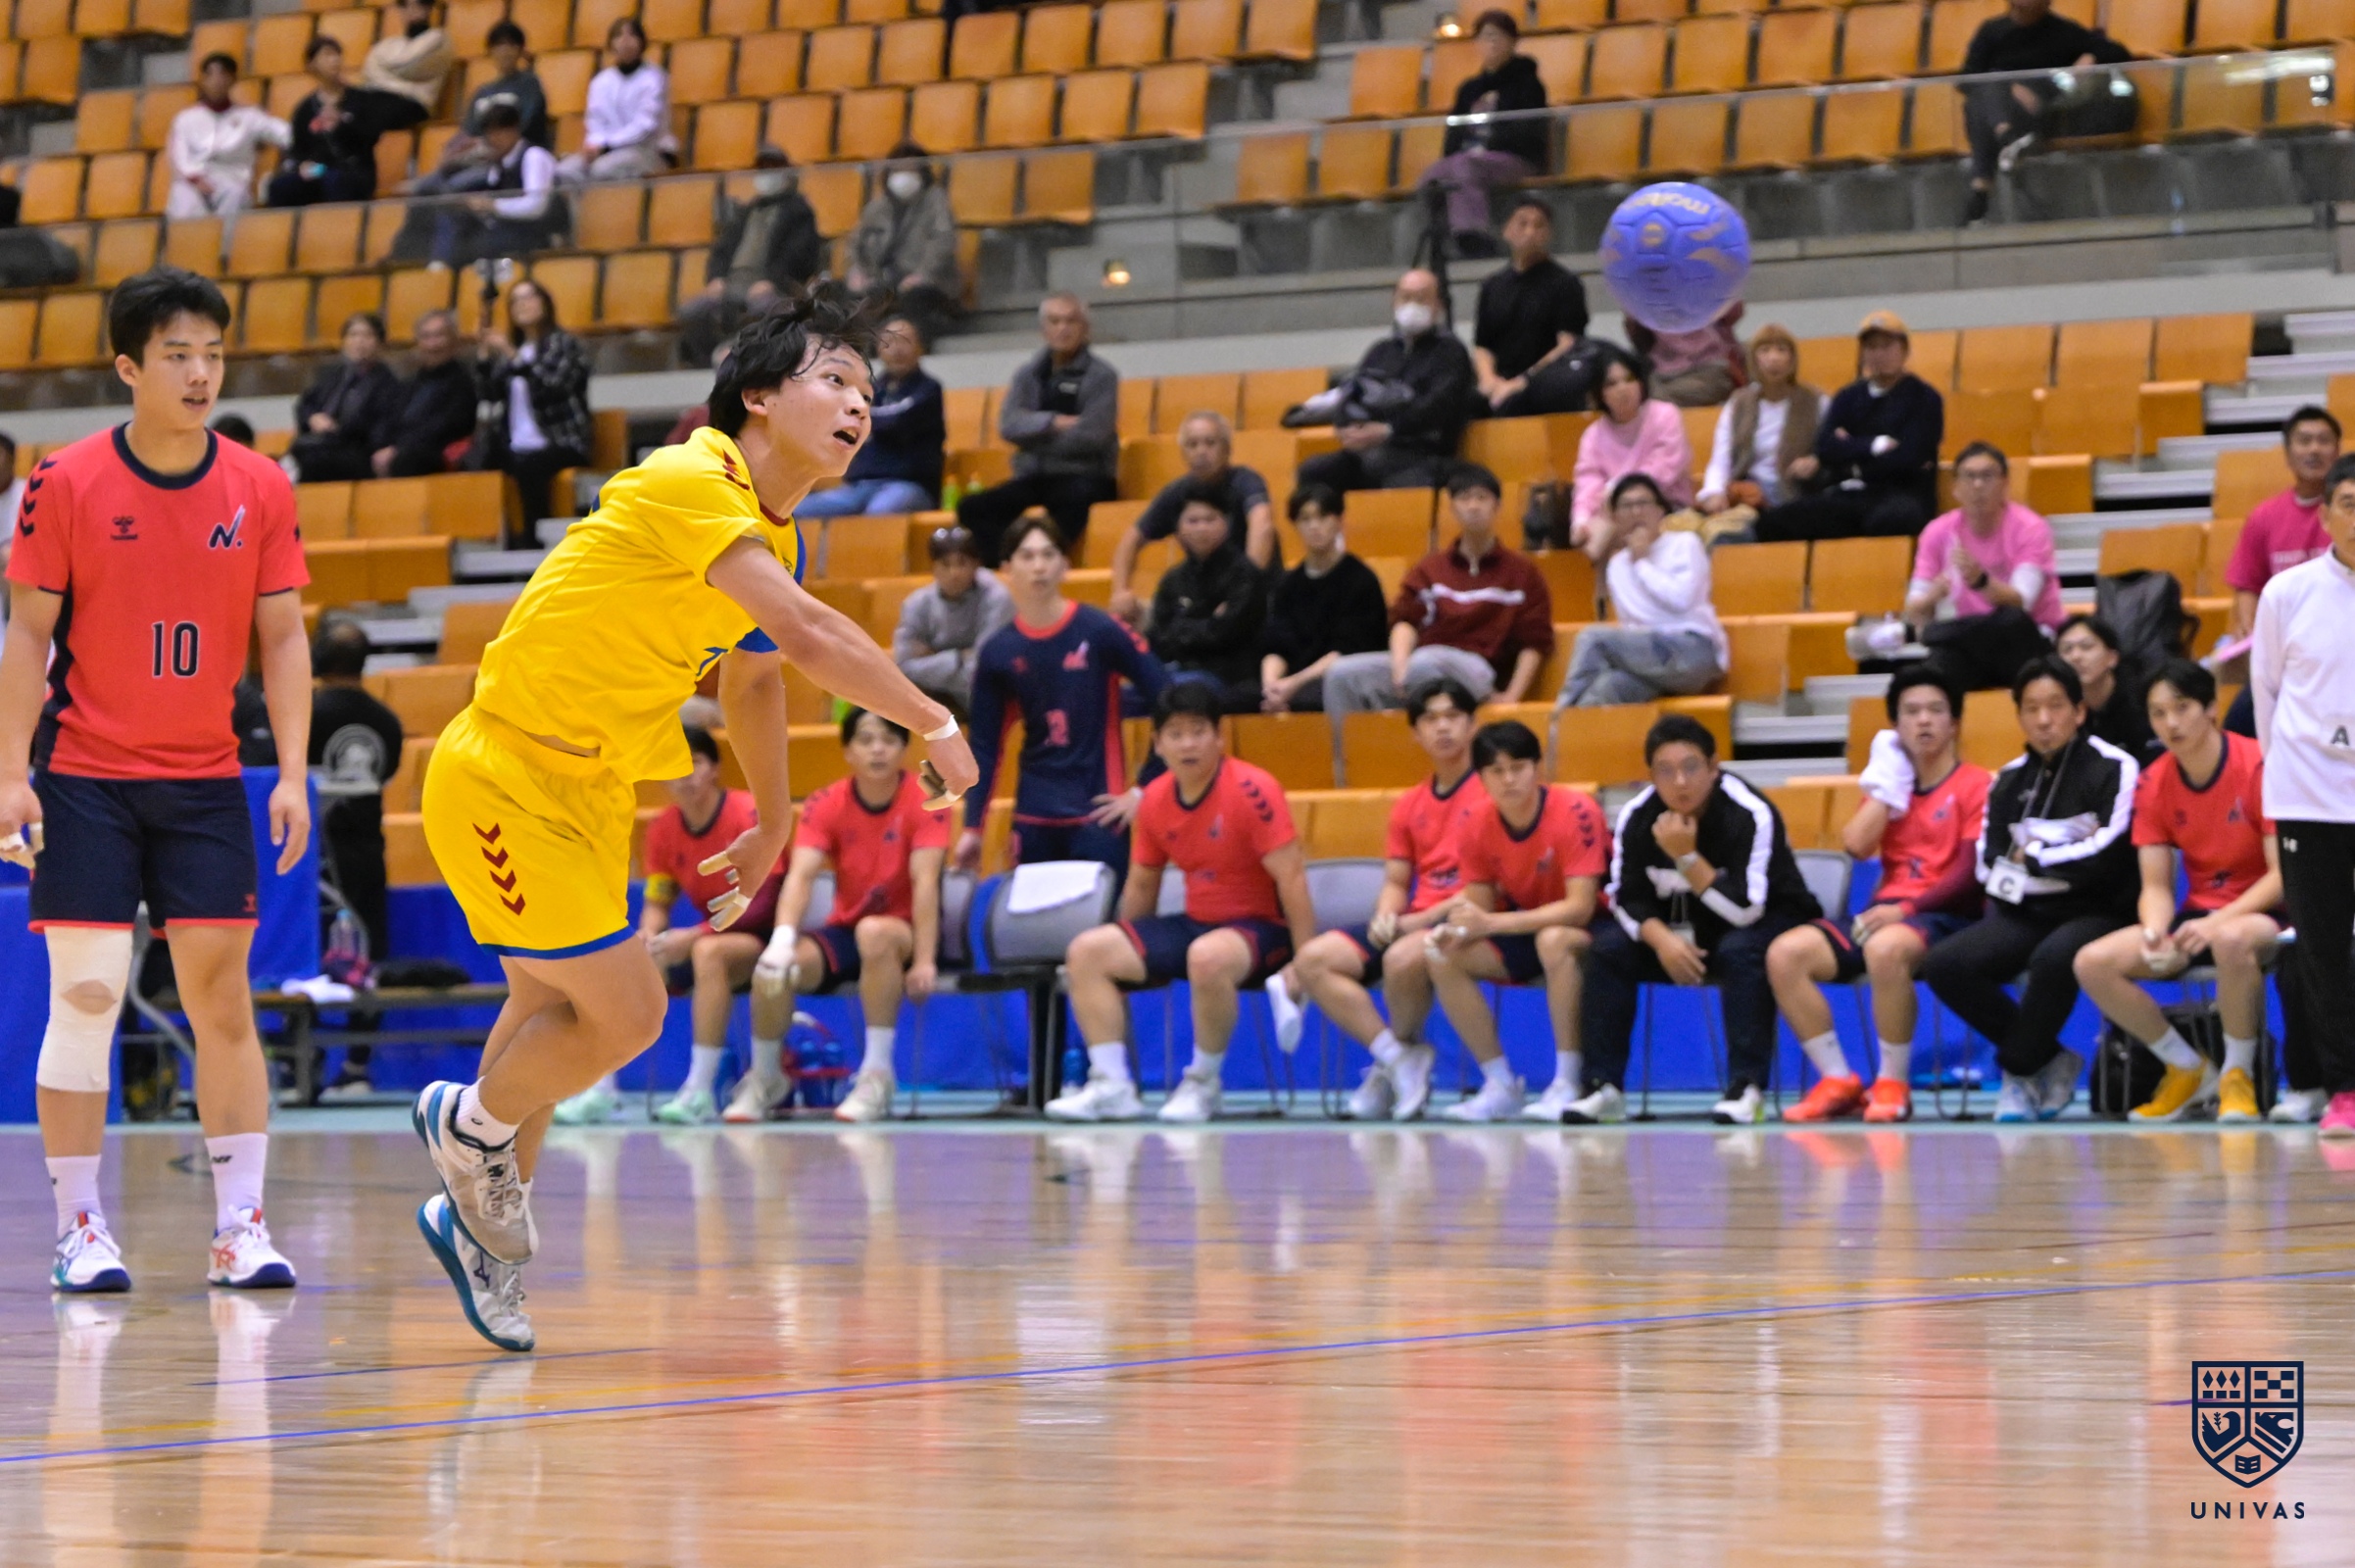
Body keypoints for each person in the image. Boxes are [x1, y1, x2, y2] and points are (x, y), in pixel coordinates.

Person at [405, 288, 981, 1354]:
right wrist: (933, 720)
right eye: (835, 380)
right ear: (757, 396)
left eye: (868, 390)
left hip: (590, 791)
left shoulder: (773, 539)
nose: (860, 404)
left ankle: (477, 1230)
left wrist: (771, 820)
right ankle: (467, 1124)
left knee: (546, 1014)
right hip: (504, 775)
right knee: (628, 1017)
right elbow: (808, 636)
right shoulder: (689, 478)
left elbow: (755, 680)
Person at [0, 268, 312, 1295]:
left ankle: (241, 1227)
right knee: (87, 995)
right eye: (178, 354)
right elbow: (27, 637)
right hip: (84, 776)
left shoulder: (260, 485)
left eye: (212, 354)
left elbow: (283, 637)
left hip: (205, 779)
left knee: (222, 1002)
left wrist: (292, 774)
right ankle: (79, 1227)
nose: (200, 372)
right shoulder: (65, 480)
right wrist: (10, 775)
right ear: (129, 366)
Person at [1046, 683, 1315, 1123]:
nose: (1188, 744)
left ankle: (1203, 1083)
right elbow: (1142, 883)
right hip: (1196, 924)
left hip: (1262, 929)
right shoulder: (1154, 798)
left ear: (1219, 737)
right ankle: (1111, 1086)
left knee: (1206, 957)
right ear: (1158, 744)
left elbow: (1293, 878)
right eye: (1175, 734)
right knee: (1088, 951)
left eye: (1198, 732)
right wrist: (1132, 950)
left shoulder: (1254, 789)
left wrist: (1305, 962)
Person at [1920, 654, 2139, 1123]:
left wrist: (2034, 857)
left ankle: (2018, 1072)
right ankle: (2050, 1059)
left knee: (2053, 958)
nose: (2044, 720)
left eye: (2055, 706)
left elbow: (2107, 854)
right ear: (2019, 715)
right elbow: (1990, 865)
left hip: (2102, 910)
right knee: (1945, 964)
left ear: (2079, 711)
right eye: (2032, 708)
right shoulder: (2008, 780)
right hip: (2028, 912)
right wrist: (2059, 862)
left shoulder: (2114, 767)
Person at [1765, 663, 1988, 1125]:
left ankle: (1892, 1082)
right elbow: (1855, 845)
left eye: (1935, 711)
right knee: (1785, 954)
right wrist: (1887, 792)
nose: (1923, 721)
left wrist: (1906, 909)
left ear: (1954, 723)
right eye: (1911, 712)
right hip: (1884, 914)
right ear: (1895, 726)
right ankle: (1837, 1081)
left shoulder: (1976, 784)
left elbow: (1968, 876)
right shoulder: (1892, 785)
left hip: (1944, 915)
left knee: (1885, 949)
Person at [1573, 714, 1820, 1125]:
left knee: (1740, 951)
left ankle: (1746, 1087)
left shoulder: (1750, 813)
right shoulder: (1637, 816)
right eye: (1665, 771)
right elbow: (1626, 897)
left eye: (1690, 767)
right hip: (1685, 933)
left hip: (1767, 923)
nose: (1680, 782)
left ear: (1713, 766)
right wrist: (1663, 942)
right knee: (1608, 950)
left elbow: (1746, 909)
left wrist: (1686, 858)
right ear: (1651, 775)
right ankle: (1603, 1087)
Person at [2074, 659, 2285, 1123]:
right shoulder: (2154, 782)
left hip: (2263, 913)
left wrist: (2216, 923)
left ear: (2211, 708)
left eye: (2182, 707)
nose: (2171, 723)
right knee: (2092, 962)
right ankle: (2187, 1068)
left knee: (2230, 940)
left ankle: (2237, 1076)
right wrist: (2155, 931)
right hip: (2199, 917)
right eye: (2158, 713)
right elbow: (2155, 885)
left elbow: (2281, 876)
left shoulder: (2258, 764)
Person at [1272, 677, 1484, 1121]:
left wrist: (1419, 920)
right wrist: (1387, 913)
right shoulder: (1409, 804)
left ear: (1471, 724)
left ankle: (1393, 1067)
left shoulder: (1490, 792)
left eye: (1453, 717)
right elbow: (1396, 880)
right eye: (1431, 719)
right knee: (1312, 961)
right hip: (1413, 918)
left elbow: (1489, 885)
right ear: (1416, 732)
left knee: (1402, 959)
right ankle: (1398, 1058)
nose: (1442, 728)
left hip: (1466, 916)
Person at [553, 725, 784, 1126]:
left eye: (694, 763)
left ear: (715, 768)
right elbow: (659, 898)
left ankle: (699, 1091)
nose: (685, 775)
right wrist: (648, 933)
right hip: (709, 934)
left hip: (765, 934)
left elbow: (763, 902)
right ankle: (601, 1088)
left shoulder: (746, 814)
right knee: (630, 956)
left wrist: (695, 935)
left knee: (708, 953)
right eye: (674, 766)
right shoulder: (663, 828)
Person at [751, 709, 951, 1124]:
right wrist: (782, 941)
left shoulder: (929, 795)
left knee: (875, 932)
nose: (878, 749)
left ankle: (877, 1075)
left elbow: (926, 882)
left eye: (889, 740)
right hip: (847, 931)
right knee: (772, 971)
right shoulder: (824, 802)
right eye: (866, 739)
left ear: (904, 749)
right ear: (847, 751)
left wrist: (925, 960)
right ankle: (767, 1077)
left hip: (905, 930)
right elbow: (801, 876)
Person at [955, 514, 1169, 879]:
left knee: (1101, 917)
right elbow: (985, 746)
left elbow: (1170, 699)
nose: (1039, 566)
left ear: (1065, 565)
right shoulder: (998, 651)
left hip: (1099, 816)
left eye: (1048, 554)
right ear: (1007, 569)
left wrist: (1143, 791)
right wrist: (973, 827)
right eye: (1027, 556)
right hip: (1033, 818)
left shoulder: (1100, 630)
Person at [1423, 720, 1608, 1121]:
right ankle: (1500, 1085)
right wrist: (1454, 929)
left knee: (1553, 940)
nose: (1508, 780)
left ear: (1538, 768)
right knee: (1443, 954)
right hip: (1527, 925)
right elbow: (1479, 908)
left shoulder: (1576, 810)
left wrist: (1490, 925)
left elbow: (1580, 907)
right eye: (1496, 771)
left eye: (1518, 768)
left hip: (1599, 927)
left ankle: (1568, 1081)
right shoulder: (1475, 821)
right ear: (1481, 778)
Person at [2251, 451, 2355, 1136]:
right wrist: (2291, 771)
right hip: (2310, 799)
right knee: (2321, 948)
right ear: (2325, 516)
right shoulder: (2286, 594)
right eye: (2349, 503)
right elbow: (2266, 693)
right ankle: (2345, 1087)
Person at [1323, 465, 1553, 714]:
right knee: (1341, 674)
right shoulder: (1430, 568)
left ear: (1497, 506)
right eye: (1464, 498)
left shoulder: (1522, 573)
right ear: (1452, 507)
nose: (1473, 506)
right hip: (1419, 665)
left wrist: (1512, 696)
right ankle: (1353, 742)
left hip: (1478, 667)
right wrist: (1400, 669)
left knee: (1426, 662)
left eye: (1482, 498)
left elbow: (1534, 641)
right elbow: (1405, 621)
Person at [309, 619, 405, 1100]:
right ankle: (357, 1067)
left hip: (310, 860)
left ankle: (299, 1063)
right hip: (368, 856)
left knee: (305, 955)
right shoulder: (386, 721)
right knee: (368, 956)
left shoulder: (302, 713)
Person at [954, 293, 1118, 564]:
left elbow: (1092, 436)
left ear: (1085, 328)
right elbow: (1009, 425)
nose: (1063, 328)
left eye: (1071, 321)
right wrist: (1052, 423)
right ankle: (1006, 567)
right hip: (1033, 477)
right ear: (1043, 329)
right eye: (1055, 321)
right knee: (972, 507)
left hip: (1085, 476)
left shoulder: (1102, 376)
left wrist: (1032, 437)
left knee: (1070, 506)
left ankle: (1042, 567)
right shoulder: (1028, 374)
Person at [1753, 311, 1943, 543]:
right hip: (1848, 493)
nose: (1879, 354)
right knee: (1773, 523)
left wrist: (1850, 455)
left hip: (1900, 493)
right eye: (1871, 347)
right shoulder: (1848, 396)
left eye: (1887, 346)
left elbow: (1909, 458)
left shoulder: (1924, 398)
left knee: (1891, 520)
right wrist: (1874, 445)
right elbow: (1826, 447)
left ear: (1904, 349)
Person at [1890, 442, 2063, 689]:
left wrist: (1981, 582)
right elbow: (1915, 607)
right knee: (1933, 669)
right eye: (1969, 477)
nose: (1978, 485)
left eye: (1987, 476)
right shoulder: (1937, 532)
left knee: (2010, 620)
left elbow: (2022, 602)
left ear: (2005, 483)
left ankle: (1940, 633)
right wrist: (1933, 596)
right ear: (1955, 487)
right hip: (1968, 647)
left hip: (2026, 642)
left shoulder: (2030, 528)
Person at [1295, 270, 1475, 495]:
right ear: (1394, 302)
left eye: (1421, 299)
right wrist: (1348, 428)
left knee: (1398, 474)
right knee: (1315, 470)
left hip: (1421, 452)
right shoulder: (1381, 352)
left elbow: (1439, 407)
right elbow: (1354, 393)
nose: (1412, 305)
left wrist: (1389, 430)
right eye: (1405, 297)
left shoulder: (1451, 352)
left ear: (1438, 305)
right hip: (1369, 450)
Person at [1556, 474, 1725, 706]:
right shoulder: (1617, 565)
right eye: (1626, 506)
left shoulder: (1685, 543)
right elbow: (1631, 625)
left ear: (1660, 511)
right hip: (1648, 659)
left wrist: (1642, 563)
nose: (1636, 512)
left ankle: (1560, 713)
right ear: (1615, 518)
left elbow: (1682, 600)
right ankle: (1573, 726)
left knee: (1592, 637)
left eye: (1643, 503)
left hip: (1692, 650)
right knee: (1605, 690)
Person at [1960, 0, 2127, 225]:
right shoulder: (1992, 30)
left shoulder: (2062, 31)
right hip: (2001, 112)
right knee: (1984, 95)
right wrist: (2008, 87)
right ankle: (2008, 140)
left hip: (2042, 111)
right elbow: (1966, 80)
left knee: (1982, 100)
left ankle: (1981, 189)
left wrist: (2090, 57)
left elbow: (2118, 52)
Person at [1107, 413, 1275, 626]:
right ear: (1183, 453)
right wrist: (1120, 592)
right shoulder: (1177, 492)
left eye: (1210, 443)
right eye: (1192, 445)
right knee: (1124, 620)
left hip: (1254, 598)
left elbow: (1262, 525)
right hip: (1198, 600)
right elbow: (1131, 540)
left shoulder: (1246, 482)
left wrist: (1245, 591)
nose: (1201, 451)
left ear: (1227, 448)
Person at [675, 145, 823, 370]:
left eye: (773, 168)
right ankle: (707, 367)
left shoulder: (799, 212)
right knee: (692, 312)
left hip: (773, 286)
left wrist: (772, 281)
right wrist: (717, 278)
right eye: (762, 169)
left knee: (764, 308)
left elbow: (799, 255)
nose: (767, 174)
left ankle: (759, 366)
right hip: (732, 283)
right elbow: (721, 250)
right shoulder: (746, 211)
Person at [1415, 10, 1548, 259]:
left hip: (1516, 158)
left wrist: (1489, 142)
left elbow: (1529, 131)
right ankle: (1440, 243)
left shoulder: (1528, 84)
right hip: (1470, 159)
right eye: (1486, 37)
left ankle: (1474, 236)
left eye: (1498, 36)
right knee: (1432, 176)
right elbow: (1453, 134)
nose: (1492, 43)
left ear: (1513, 42)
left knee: (1466, 166)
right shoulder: (1469, 89)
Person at [472, 277, 593, 540]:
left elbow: (553, 386)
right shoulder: (517, 350)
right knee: (476, 462)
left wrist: (510, 353)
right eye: (515, 300)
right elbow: (489, 396)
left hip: (560, 441)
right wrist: (483, 354)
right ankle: (494, 539)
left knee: (530, 466)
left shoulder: (563, 343)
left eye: (529, 297)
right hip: (517, 445)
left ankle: (533, 539)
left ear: (545, 304)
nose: (522, 304)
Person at [1257, 485, 1390, 713]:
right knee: (1241, 700)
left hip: (1345, 678)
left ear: (1339, 521)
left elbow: (1347, 651)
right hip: (1294, 680)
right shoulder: (1287, 584)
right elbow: (1277, 645)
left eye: (1322, 517)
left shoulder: (1361, 580)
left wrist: (1292, 684)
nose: (1314, 526)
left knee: (1312, 699)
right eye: (1305, 519)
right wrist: (1271, 686)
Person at [798, 316, 942, 516]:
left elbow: (898, 421)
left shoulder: (928, 390)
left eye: (905, 341)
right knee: (799, 510)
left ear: (920, 347)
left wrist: (862, 417)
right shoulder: (869, 389)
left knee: (879, 513)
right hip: (859, 486)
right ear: (879, 349)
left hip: (908, 485)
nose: (897, 349)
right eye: (889, 342)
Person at [1472, 197, 1594, 417]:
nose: (1530, 232)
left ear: (1549, 234)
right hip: (1500, 384)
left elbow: (1567, 344)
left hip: (1546, 384)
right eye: (1522, 223)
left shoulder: (1565, 284)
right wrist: (1489, 380)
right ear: (1506, 230)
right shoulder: (1492, 285)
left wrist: (1523, 381)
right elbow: (1483, 345)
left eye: (1538, 226)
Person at [2226, 405, 2338, 641]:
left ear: (2337, 451)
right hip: (2283, 637)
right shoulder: (2263, 517)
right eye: (2304, 441)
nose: (2314, 449)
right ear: (2287, 454)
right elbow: (2248, 586)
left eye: (2323, 441)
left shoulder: (2349, 513)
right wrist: (2249, 629)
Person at [1148, 488, 1266, 710]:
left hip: (1228, 677)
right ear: (1179, 528)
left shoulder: (1244, 574)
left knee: (1175, 689)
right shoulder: (1173, 579)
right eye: (1193, 521)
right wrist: (1209, 620)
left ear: (1226, 523)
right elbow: (1159, 635)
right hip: (1177, 669)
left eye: (1210, 519)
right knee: (1125, 694)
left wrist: (1184, 624)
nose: (1201, 528)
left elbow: (1228, 632)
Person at [1570, 347, 1693, 561]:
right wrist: (1580, 520)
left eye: (1629, 379)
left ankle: (1597, 573)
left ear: (1640, 383)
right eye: (1611, 384)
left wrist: (1615, 491)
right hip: (1614, 514)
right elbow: (1587, 483)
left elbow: (1662, 472)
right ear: (1600, 393)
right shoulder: (1593, 435)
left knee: (1605, 531)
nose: (1623, 389)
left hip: (1665, 506)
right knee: (1601, 527)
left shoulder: (1665, 415)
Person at [1695, 324, 1823, 529]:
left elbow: (1830, 449)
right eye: (1765, 350)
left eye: (1781, 350)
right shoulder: (1739, 403)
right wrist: (1714, 492)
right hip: (1748, 495)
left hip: (1796, 496)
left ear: (1792, 358)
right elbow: (1721, 457)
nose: (1774, 358)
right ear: (1754, 359)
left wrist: (1815, 460)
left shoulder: (1816, 401)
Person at [267, 36, 406, 207]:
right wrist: (302, 165)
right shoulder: (305, 109)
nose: (334, 60)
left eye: (337, 55)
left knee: (334, 179)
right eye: (327, 55)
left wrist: (342, 125)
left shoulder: (359, 99)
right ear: (311, 64)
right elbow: (298, 150)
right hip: (320, 169)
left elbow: (371, 136)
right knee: (279, 186)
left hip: (354, 169)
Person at [846, 142, 961, 346]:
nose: (903, 176)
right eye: (898, 170)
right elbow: (855, 244)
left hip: (926, 282)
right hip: (881, 281)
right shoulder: (877, 207)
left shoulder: (936, 201)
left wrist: (922, 275)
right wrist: (858, 271)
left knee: (916, 298)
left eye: (910, 170)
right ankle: (864, 352)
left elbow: (943, 242)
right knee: (849, 300)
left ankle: (912, 349)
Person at [412, 20, 549, 190]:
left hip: (507, 161)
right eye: (498, 45)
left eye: (511, 45)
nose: (504, 51)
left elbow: (524, 127)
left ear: (520, 50)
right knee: (424, 187)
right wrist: (452, 150)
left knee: (454, 187)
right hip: (477, 158)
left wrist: (488, 143)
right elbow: (467, 131)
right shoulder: (483, 92)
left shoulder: (529, 84)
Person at [425, 102, 562, 272]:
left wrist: (493, 206)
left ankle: (444, 271)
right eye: (489, 133)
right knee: (456, 219)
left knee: (476, 246)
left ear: (513, 130)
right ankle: (439, 267)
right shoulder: (498, 164)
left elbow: (536, 206)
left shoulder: (534, 156)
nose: (493, 139)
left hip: (533, 233)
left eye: (498, 132)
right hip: (505, 229)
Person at [894, 523, 1011, 710]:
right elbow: (904, 667)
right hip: (932, 694)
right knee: (884, 702)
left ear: (976, 565)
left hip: (985, 694)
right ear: (933, 567)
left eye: (962, 563)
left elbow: (985, 667)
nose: (954, 573)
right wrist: (959, 657)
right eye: (945, 564)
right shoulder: (916, 604)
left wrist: (934, 657)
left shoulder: (997, 597)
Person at [166, 53, 290, 220]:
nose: (216, 81)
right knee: (185, 202)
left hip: (232, 179)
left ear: (233, 80)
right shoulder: (185, 119)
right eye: (210, 75)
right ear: (202, 80)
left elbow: (284, 133)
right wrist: (195, 179)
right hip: (192, 181)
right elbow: (179, 156)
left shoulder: (250, 117)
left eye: (222, 74)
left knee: (236, 195)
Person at [284, 312, 402, 484]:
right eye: (353, 335)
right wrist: (313, 418)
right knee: (297, 453)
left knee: (307, 456)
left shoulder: (387, 383)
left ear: (380, 343)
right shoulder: (332, 375)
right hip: (320, 445)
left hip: (356, 451)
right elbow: (305, 404)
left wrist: (337, 429)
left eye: (367, 336)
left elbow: (378, 430)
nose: (359, 342)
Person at [557, 17, 670, 183]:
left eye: (631, 35)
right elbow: (595, 121)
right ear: (611, 44)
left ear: (642, 43)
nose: (625, 41)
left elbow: (645, 126)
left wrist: (607, 145)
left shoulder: (654, 78)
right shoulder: (601, 81)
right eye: (619, 36)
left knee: (603, 169)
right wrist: (595, 145)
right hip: (605, 150)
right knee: (565, 171)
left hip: (646, 150)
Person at [371, 309, 477, 478]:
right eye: (426, 337)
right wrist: (383, 447)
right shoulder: (411, 381)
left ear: (453, 340)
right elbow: (391, 419)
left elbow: (448, 426)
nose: (432, 345)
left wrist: (399, 448)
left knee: (407, 460)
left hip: (436, 451)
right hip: (402, 448)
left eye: (439, 336)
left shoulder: (462, 381)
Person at [2055, 612, 2155, 761]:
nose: (2076, 657)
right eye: (2067, 649)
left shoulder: (2142, 700)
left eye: (2086, 647)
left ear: (2112, 658)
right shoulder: (2060, 708)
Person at [1628, 308, 1744, 410]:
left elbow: (1734, 312)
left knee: (1650, 399)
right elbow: (1638, 336)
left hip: (1709, 370)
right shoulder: (1647, 296)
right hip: (1662, 374)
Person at [362, 0, 454, 124]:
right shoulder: (387, 44)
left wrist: (384, 74)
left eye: (418, 4)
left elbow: (410, 67)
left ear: (428, 8)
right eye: (404, 5)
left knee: (361, 111)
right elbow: (368, 73)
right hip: (379, 100)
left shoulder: (439, 38)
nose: (411, 10)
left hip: (414, 103)